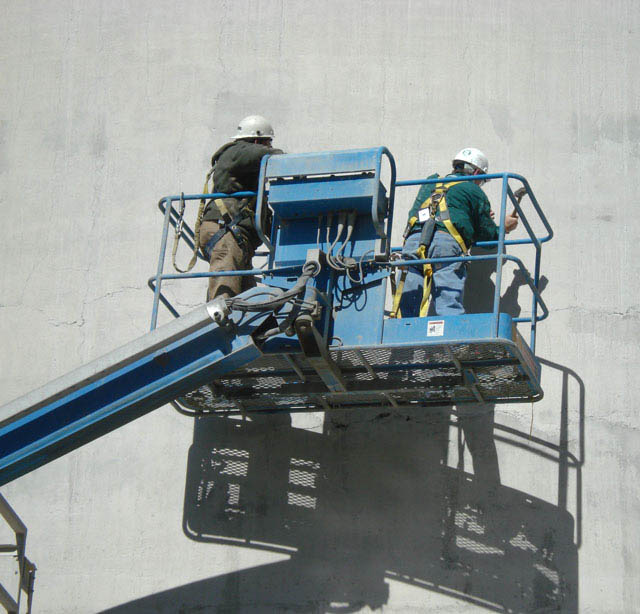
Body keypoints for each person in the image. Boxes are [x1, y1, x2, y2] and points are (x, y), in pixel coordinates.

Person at [394, 148, 519, 317]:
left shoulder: (431, 183)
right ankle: (452, 343)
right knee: (447, 302)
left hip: (414, 242)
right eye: (481, 180)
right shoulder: (473, 190)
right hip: (445, 245)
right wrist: (504, 227)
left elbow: (414, 214)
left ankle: (404, 336)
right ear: (476, 172)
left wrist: (469, 217)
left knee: (409, 297)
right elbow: (488, 237)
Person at [198, 115, 283, 301]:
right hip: (226, 230)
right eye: (267, 142)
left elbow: (261, 213)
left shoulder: (245, 175)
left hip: (232, 233)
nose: (268, 146)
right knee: (224, 290)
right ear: (256, 140)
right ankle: (218, 320)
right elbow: (268, 155)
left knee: (247, 300)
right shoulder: (238, 152)